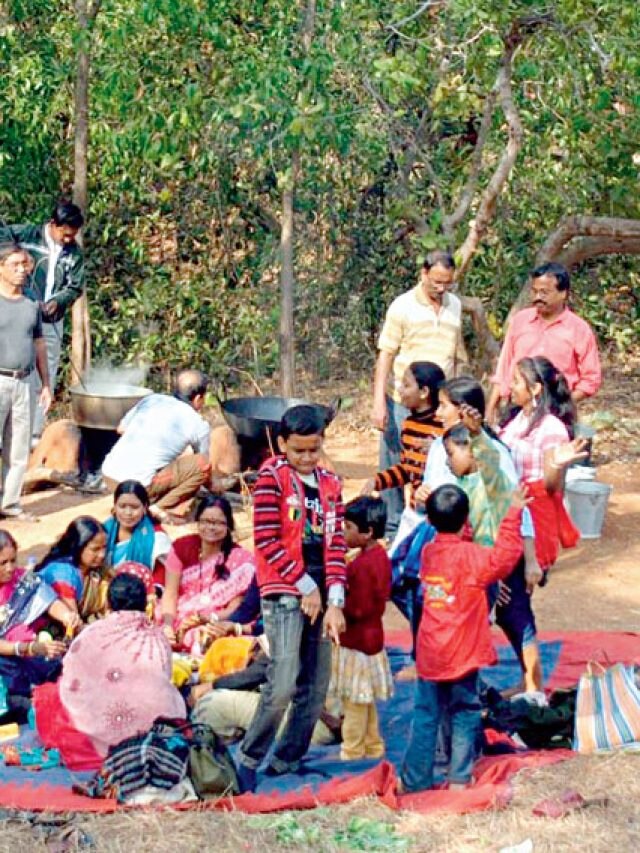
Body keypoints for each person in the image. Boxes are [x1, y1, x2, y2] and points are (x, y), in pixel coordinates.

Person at [235, 404, 347, 792]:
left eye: (313, 450)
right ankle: (249, 758)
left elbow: (335, 546)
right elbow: (265, 541)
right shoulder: (271, 478)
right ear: (282, 444)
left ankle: (287, 758)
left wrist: (334, 600)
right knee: (281, 682)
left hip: (321, 590)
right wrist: (307, 587)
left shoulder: (331, 484)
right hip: (286, 588)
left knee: (316, 686)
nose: (306, 458)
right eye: (298, 450)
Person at [399, 484, 524, 793]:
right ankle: (458, 777)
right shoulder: (473, 558)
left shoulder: (429, 553)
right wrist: (513, 513)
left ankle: (416, 780)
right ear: (466, 518)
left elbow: (453, 545)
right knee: (465, 712)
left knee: (426, 714)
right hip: (462, 654)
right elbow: (506, 556)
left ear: (429, 520)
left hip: (431, 652)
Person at [34, 572, 186, 771]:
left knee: (46, 698)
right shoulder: (158, 637)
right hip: (154, 732)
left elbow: (70, 682)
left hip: (99, 734)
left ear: (108, 604)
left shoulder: (91, 633)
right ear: (145, 605)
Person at [371, 250, 467, 537]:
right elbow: (386, 355)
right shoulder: (402, 307)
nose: (441, 288)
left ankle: (431, 523)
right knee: (397, 459)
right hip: (406, 398)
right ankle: (392, 528)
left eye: (447, 283)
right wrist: (379, 400)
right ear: (423, 274)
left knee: (434, 460)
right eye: (436, 281)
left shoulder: (455, 306)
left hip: (440, 403)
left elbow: (457, 352)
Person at [0, 202, 85, 439]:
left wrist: (59, 301)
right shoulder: (28, 235)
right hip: (19, 312)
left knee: (44, 374)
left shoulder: (74, 253)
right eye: (65, 234)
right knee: (12, 368)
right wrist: (16, 258)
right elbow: (3, 238)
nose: (69, 239)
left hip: (50, 320)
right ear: (53, 225)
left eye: (73, 235)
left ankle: (33, 434)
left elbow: (76, 286)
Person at [499, 356, 587, 573]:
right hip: (511, 508)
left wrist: (556, 465)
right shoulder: (516, 420)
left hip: (534, 515)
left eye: (517, 381)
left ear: (536, 388)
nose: (511, 386)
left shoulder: (551, 428)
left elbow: (550, 487)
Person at [486, 262, 601, 425]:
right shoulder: (520, 321)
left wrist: (561, 404)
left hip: (558, 414)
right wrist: (491, 408)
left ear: (563, 294)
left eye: (544, 292)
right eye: (534, 291)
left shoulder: (579, 329)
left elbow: (591, 379)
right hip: (517, 409)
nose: (537, 297)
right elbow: (504, 367)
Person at [101, 368, 212, 523]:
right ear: (199, 398)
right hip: (141, 486)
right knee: (202, 464)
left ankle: (132, 501)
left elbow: (121, 429)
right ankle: (157, 508)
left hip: (110, 477)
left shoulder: (152, 399)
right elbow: (203, 463)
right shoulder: (198, 423)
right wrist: (216, 487)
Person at [328, 496, 392, 761]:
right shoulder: (378, 558)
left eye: (349, 528)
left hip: (357, 642)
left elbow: (359, 608)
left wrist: (337, 606)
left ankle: (352, 751)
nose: (344, 532)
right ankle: (373, 745)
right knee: (365, 701)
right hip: (371, 639)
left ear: (367, 533)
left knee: (353, 703)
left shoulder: (362, 566)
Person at [160, 494, 256, 653]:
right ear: (198, 522)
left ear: (228, 526)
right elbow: (170, 593)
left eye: (219, 523)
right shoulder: (181, 547)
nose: (211, 528)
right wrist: (168, 626)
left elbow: (235, 606)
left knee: (205, 639)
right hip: (178, 614)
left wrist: (209, 619)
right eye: (206, 521)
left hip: (216, 620)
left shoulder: (241, 560)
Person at [0, 244, 52, 521]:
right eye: (15, 265)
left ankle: (10, 504)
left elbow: (40, 343)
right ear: (1, 267)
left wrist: (45, 384)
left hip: (24, 382)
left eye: (25, 265)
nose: (21, 271)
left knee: (18, 447)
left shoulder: (31, 303)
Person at [0, 530, 79, 701]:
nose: (10, 568)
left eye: (13, 560)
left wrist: (66, 615)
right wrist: (28, 648)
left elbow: (49, 601)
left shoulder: (24, 580)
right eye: (2, 563)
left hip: (37, 651)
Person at [362, 360, 444, 518]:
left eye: (406, 386)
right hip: (417, 512)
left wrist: (439, 446)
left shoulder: (443, 427)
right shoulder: (409, 425)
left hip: (440, 512)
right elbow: (407, 469)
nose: (399, 390)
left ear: (423, 392)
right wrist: (377, 481)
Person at [36, 516, 110, 622]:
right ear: (78, 546)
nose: (102, 555)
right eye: (95, 549)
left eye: (104, 547)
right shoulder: (63, 574)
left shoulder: (94, 569)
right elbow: (73, 623)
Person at [103, 480, 172, 585]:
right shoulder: (105, 529)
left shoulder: (157, 537)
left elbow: (163, 575)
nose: (128, 513)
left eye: (134, 507)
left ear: (144, 508)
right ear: (115, 506)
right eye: (122, 506)